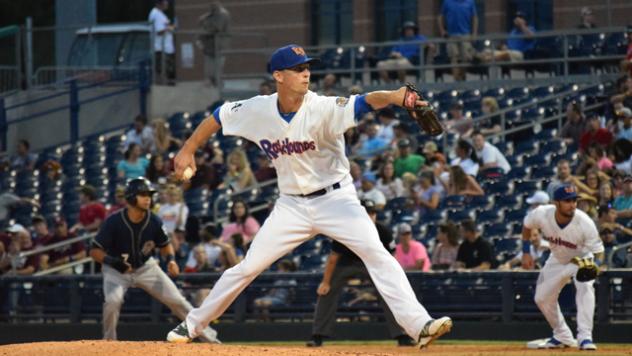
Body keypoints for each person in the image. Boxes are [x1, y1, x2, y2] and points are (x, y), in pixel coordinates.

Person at [167, 44, 452, 347]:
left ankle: (419, 325)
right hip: (291, 205)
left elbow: (365, 102)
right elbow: (218, 116)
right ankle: (193, 325)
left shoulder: (322, 107)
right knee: (247, 267)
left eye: (307, 68)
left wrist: (395, 97)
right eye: (298, 69)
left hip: (337, 200)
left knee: (376, 253)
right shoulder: (257, 109)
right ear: (278, 75)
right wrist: (188, 148)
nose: (306, 74)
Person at [89, 177, 219, 342]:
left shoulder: (154, 220)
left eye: (149, 194)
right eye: (143, 194)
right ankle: (109, 341)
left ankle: (211, 339)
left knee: (177, 300)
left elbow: (165, 245)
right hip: (116, 270)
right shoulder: (114, 221)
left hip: (145, 268)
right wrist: (113, 262)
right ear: (130, 198)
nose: (148, 198)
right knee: (112, 301)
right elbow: (94, 251)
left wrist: (171, 260)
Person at [306, 200, 415, 347]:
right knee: (326, 291)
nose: (371, 216)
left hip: (373, 264)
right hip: (346, 264)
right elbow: (333, 258)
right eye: (367, 213)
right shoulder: (345, 230)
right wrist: (325, 282)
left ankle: (402, 336)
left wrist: (394, 281)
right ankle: (317, 336)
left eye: (373, 212)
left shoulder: (383, 231)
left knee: (390, 291)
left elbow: (391, 259)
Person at [522, 184, 603, 351]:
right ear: (556, 203)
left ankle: (585, 337)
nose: (572, 204)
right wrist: (525, 252)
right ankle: (562, 335)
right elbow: (527, 226)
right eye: (567, 201)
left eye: (574, 200)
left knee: (586, 287)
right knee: (542, 298)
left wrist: (596, 265)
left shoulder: (585, 222)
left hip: (580, 260)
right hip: (557, 259)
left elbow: (599, 251)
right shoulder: (542, 213)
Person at [437, 0, 478, 81]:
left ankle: (462, 76)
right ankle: (456, 80)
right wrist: (442, 31)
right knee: (454, 57)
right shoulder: (447, 2)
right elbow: (440, 16)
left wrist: (474, 33)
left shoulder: (470, 2)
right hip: (451, 35)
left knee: (466, 57)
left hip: (465, 34)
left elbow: (475, 17)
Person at [197, 1, 230, 86]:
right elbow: (202, 22)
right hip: (209, 48)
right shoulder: (211, 14)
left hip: (219, 48)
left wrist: (205, 25)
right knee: (209, 74)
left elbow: (217, 28)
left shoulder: (223, 14)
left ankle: (220, 93)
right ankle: (212, 89)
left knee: (217, 74)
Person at [149, 0, 176, 85]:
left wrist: (170, 27)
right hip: (161, 49)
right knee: (163, 71)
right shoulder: (156, 14)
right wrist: (169, 28)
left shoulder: (160, 14)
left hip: (166, 49)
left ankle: (165, 84)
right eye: (165, 2)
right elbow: (159, 31)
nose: (167, 3)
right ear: (159, 3)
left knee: (168, 72)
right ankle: (163, 87)